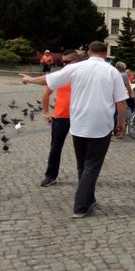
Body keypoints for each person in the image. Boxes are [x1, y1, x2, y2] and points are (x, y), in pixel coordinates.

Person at [21, 41, 128, 218]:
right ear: (105, 52)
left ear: (89, 52)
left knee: (83, 165)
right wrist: (121, 122)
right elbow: (121, 102)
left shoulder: (76, 68)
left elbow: (48, 80)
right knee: (92, 166)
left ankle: (89, 199)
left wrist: (29, 79)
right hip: (101, 125)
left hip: (79, 125)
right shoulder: (112, 71)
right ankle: (80, 206)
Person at [40, 50, 80, 187]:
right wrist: (46, 112)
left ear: (76, 61)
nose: (64, 64)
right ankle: (51, 176)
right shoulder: (61, 76)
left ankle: (84, 178)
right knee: (55, 148)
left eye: (68, 62)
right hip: (60, 117)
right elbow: (46, 92)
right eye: (63, 62)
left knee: (82, 150)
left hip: (79, 117)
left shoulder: (82, 75)